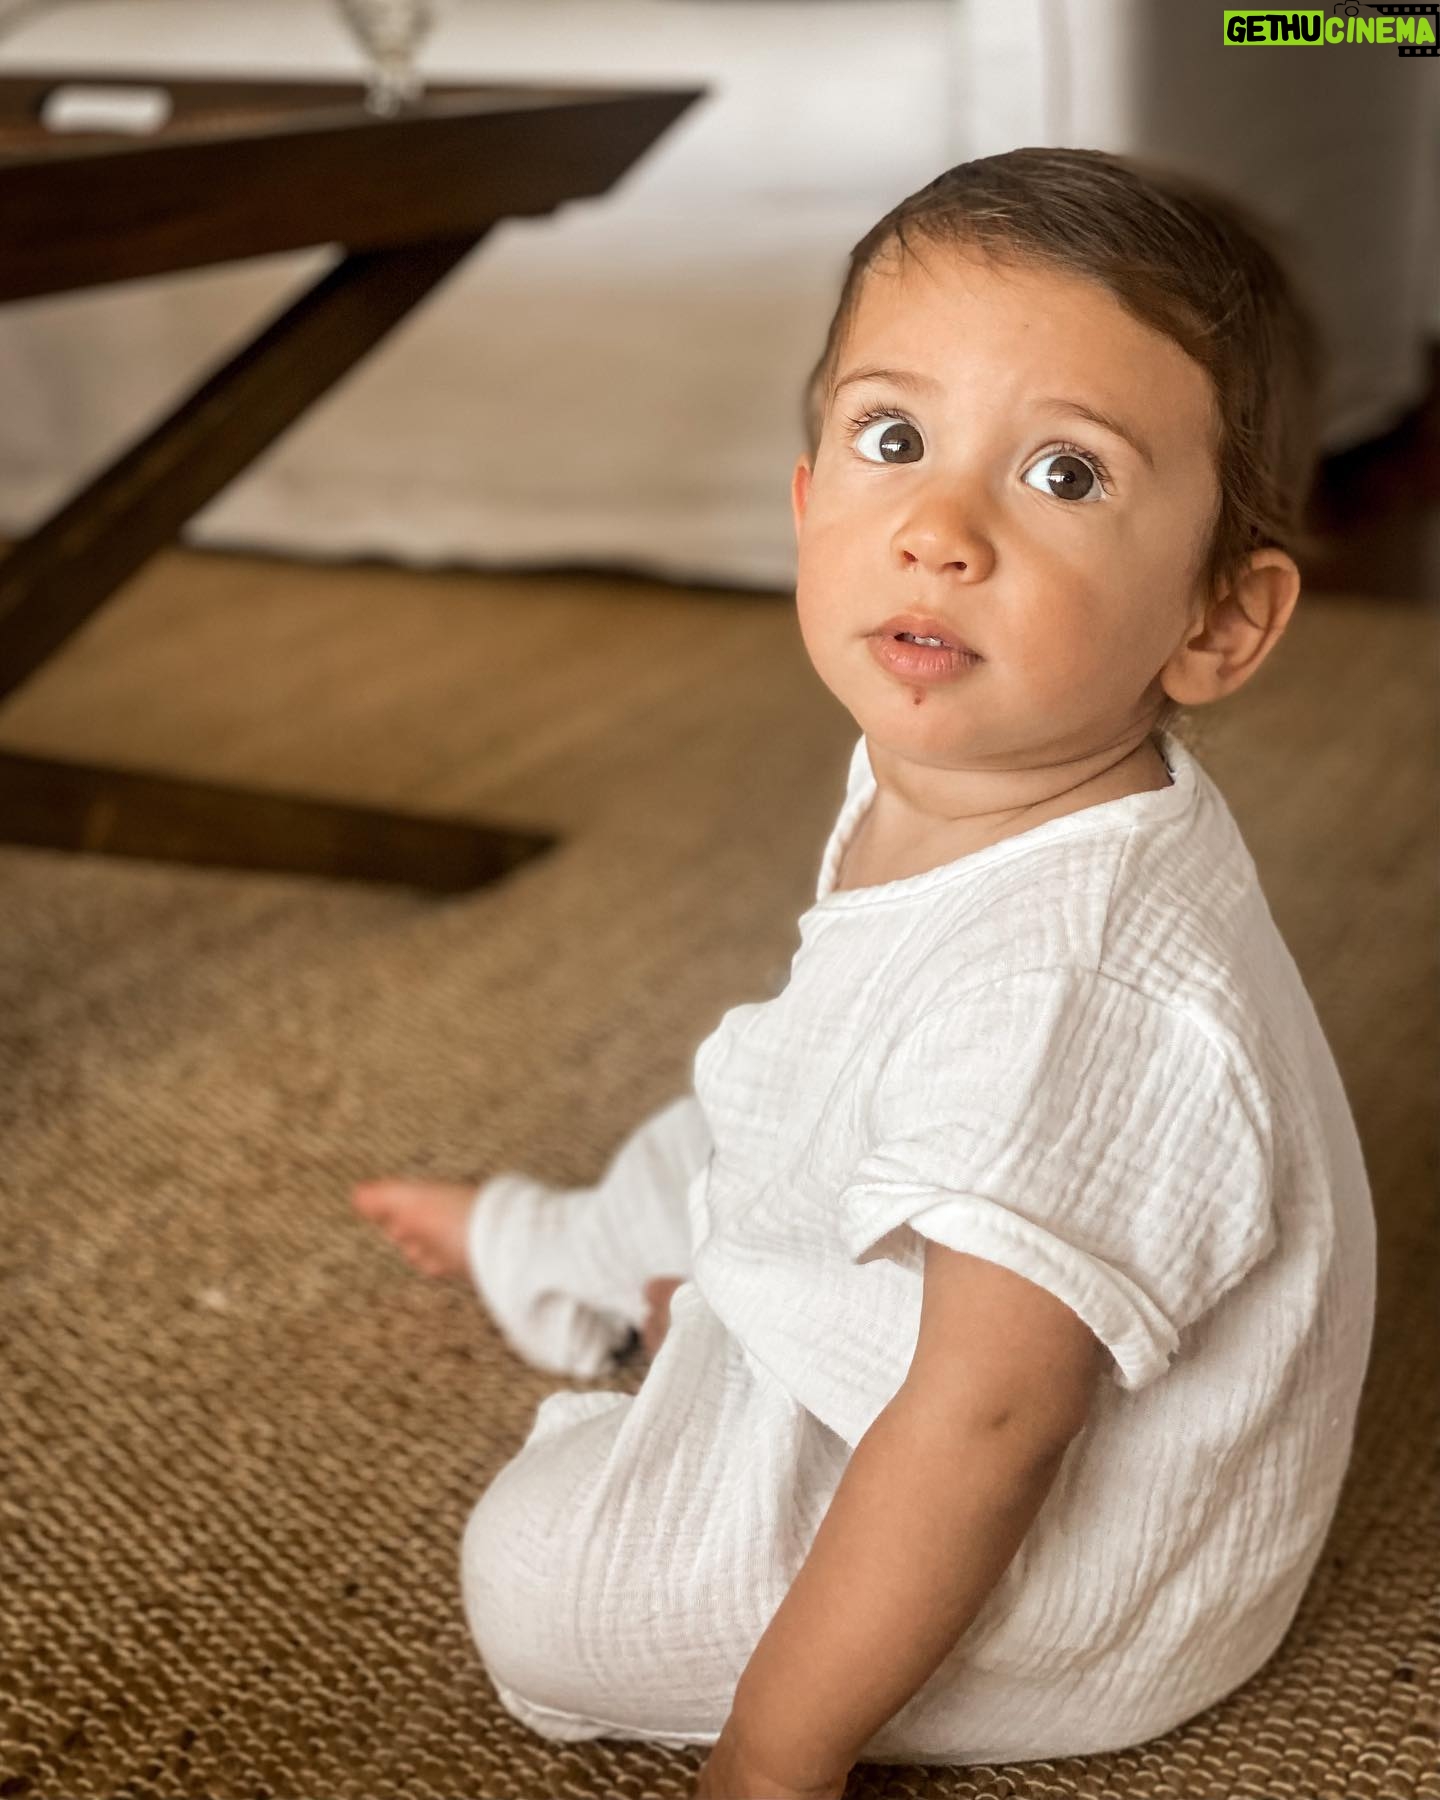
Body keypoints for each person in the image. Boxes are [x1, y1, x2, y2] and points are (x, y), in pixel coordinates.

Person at [351, 147, 1377, 1799]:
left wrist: (780, 1753)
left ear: (1216, 623)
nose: (939, 532)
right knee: (736, 1097)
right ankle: (585, 1265)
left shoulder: (1076, 989)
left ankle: (685, 1349)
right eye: (893, 441)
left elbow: (993, 1425)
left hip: (1047, 1564)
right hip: (945, 1299)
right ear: (807, 497)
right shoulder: (982, 753)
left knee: (537, 1580)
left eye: (1063, 473)